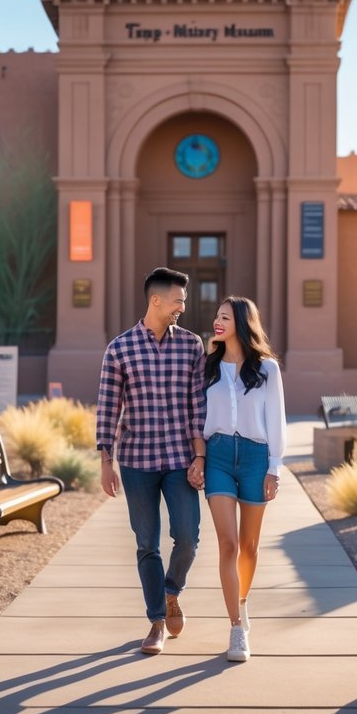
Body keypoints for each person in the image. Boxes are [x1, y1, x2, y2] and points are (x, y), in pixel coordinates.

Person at [96, 267, 206, 656]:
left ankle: (171, 591)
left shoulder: (192, 345)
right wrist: (106, 459)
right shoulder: (120, 348)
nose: (182, 307)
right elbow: (108, 407)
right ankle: (157, 620)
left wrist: (199, 455)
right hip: (138, 461)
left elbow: (198, 405)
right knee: (146, 544)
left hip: (179, 458)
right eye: (178, 300)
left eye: (184, 301)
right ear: (156, 300)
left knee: (189, 537)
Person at [200, 295, 286, 663]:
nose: (217, 323)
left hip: (254, 458)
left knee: (250, 546)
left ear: (241, 322)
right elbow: (196, 413)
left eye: (224, 318)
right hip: (218, 455)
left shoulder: (267, 369)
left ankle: (243, 602)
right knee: (229, 545)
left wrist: (275, 467)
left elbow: (276, 418)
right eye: (216, 317)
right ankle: (237, 628)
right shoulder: (207, 366)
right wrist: (199, 457)